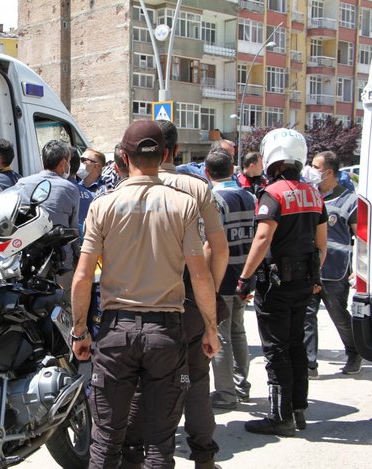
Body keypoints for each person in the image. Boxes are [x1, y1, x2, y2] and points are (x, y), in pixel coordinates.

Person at [71, 120, 219, 468]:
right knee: (160, 446)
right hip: (166, 333)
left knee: (106, 441)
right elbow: (199, 274)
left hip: (115, 332)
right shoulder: (183, 204)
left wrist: (79, 331)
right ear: (166, 154)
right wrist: (210, 327)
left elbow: (81, 276)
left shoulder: (103, 206)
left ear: (123, 157)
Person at [236, 128, 327, 437]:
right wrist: (315, 277)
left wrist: (244, 278)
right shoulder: (315, 194)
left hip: (276, 284)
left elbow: (262, 239)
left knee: (276, 349)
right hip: (305, 282)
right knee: (296, 345)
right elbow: (322, 243)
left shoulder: (273, 193)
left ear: (273, 157)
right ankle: (298, 410)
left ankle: (279, 417)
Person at [155, 120, 229, 469]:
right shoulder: (197, 187)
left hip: (144, 298)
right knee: (196, 378)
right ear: (175, 151)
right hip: (190, 294)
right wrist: (208, 294)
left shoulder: (126, 188)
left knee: (150, 383)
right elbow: (218, 248)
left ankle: (156, 454)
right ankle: (203, 456)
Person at [204, 148, 257, 409]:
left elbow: (210, 244)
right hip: (244, 274)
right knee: (238, 330)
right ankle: (241, 385)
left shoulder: (214, 200)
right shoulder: (249, 196)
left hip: (222, 275)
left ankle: (226, 394)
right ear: (232, 169)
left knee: (220, 334)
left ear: (206, 172)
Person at [302, 151, 362, 377]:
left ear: (328, 171)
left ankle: (354, 351)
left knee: (338, 314)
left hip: (335, 270)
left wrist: (360, 270)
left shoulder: (350, 200)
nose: (310, 169)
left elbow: (361, 237)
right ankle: (309, 363)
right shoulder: (310, 196)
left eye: (315, 166)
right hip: (311, 267)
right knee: (307, 315)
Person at [16, 140, 79, 292]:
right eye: (69, 161)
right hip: (60, 263)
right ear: (64, 163)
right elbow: (73, 227)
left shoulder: (22, 183)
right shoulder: (69, 188)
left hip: (27, 259)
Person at [76, 149, 106, 231]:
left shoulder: (105, 191)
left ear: (97, 166)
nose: (80, 163)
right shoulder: (74, 187)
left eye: (83, 160)